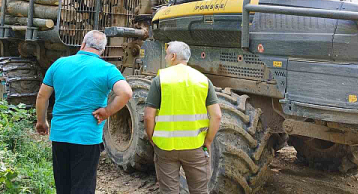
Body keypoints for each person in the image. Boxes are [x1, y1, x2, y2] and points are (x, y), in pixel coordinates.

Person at [35, 30, 133, 194]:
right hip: (87, 137)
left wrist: (41, 121)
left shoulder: (59, 64)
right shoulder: (107, 69)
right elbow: (126, 93)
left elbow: (42, 96)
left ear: (83, 44)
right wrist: (107, 111)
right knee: (83, 186)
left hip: (60, 135)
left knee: (63, 185)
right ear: (102, 50)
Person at [144, 41, 222, 194]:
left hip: (166, 147)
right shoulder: (203, 80)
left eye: (167, 55)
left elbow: (148, 116)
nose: (166, 58)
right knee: (199, 191)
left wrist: (153, 138)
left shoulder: (160, 80)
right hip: (195, 147)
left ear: (173, 56)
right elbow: (217, 116)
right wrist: (207, 141)